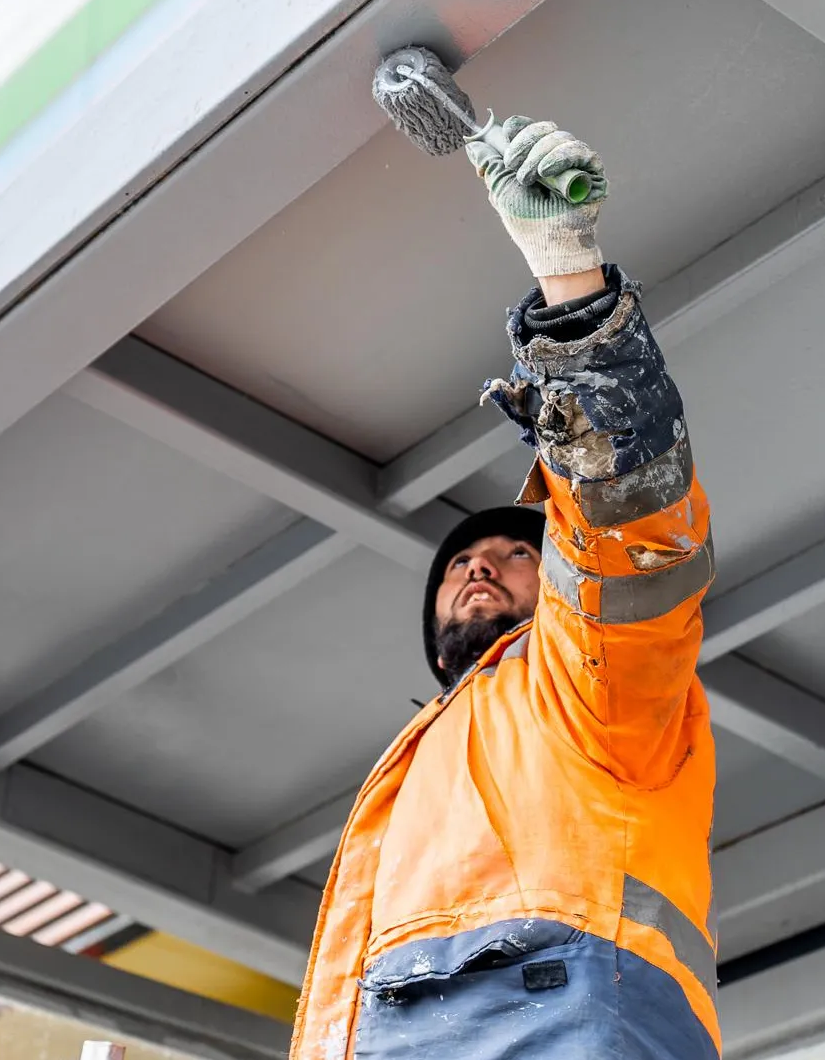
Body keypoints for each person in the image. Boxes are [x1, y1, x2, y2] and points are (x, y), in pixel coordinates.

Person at [291, 117, 719, 1059]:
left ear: (557, 570)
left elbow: (631, 533)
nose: (477, 566)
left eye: (510, 554)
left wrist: (569, 279)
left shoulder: (587, 688)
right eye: (459, 564)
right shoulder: (430, 753)